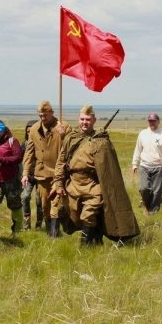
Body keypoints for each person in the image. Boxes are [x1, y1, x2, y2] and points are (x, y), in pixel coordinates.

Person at [52, 105, 140, 245]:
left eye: (88, 119)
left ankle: (84, 248)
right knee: (70, 215)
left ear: (94, 120)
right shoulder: (71, 138)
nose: (84, 122)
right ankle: (95, 241)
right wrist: (59, 184)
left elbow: (109, 170)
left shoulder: (101, 141)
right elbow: (61, 162)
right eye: (82, 119)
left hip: (93, 186)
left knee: (88, 215)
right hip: (73, 185)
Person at [21, 101, 71, 237]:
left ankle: (54, 236)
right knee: (45, 206)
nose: (43, 118)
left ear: (52, 113)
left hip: (58, 174)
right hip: (41, 174)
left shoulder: (64, 126)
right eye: (40, 116)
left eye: (45, 115)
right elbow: (29, 153)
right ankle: (51, 232)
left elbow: (72, 147)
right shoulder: (34, 129)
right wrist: (25, 173)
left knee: (56, 204)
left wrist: (64, 135)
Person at [131, 113, 162, 214]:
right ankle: (146, 204)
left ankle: (153, 213)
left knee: (157, 192)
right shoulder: (142, 134)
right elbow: (138, 149)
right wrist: (134, 164)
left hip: (159, 167)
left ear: (158, 121)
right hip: (144, 166)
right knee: (144, 188)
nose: (152, 123)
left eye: (154, 121)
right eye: (150, 121)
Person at [20, 119, 40, 230]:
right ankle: (26, 224)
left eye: (31, 131)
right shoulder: (24, 145)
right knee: (25, 197)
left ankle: (39, 224)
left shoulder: (43, 143)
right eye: (28, 132)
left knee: (39, 201)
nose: (29, 134)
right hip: (28, 176)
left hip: (41, 176)